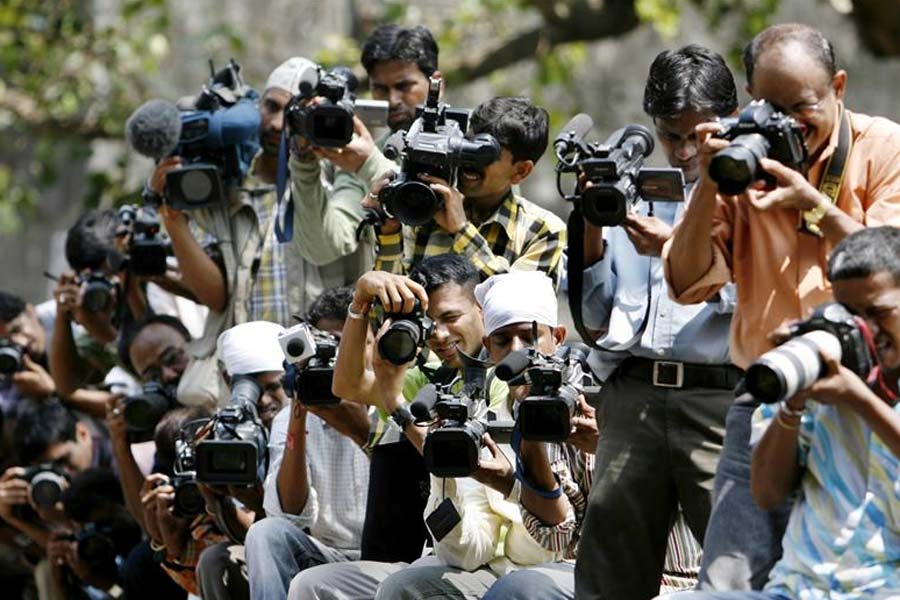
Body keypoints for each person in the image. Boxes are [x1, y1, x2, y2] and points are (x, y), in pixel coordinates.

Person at [663, 23, 900, 591]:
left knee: (860, 574)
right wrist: (709, 184)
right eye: (773, 107)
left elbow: (891, 267)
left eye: (804, 106)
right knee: (728, 581)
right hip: (771, 390)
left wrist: (812, 205)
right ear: (751, 100)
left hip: (875, 391)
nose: (791, 123)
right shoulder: (745, 161)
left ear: (838, 87)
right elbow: (685, 281)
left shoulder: (884, 146)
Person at [287, 271, 596, 600]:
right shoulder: (469, 401)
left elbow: (560, 541)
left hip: (573, 572)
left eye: (529, 338)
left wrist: (597, 446)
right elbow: (469, 548)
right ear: (490, 346)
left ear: (559, 337)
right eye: (504, 341)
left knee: (515, 588)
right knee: (388, 585)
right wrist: (360, 303)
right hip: (487, 568)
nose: (517, 353)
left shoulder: (589, 401)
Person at [573, 45, 742, 600]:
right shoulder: (629, 185)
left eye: (702, 134)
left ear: (731, 119)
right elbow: (594, 317)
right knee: (609, 574)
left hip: (719, 397)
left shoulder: (753, 190)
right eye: (672, 135)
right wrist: (593, 223)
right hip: (632, 396)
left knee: (738, 570)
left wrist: (676, 247)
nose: (687, 149)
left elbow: (763, 302)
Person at [663, 226, 900, 599]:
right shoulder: (828, 379)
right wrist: (793, 402)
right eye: (848, 314)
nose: (864, 329)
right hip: (793, 591)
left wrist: (860, 400)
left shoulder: (852, 392)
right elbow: (767, 493)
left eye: (879, 312)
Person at [332, 255, 489, 562]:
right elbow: (348, 386)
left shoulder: (507, 374)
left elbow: (468, 469)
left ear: (481, 309)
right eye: (431, 323)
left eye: (451, 317)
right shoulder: (435, 377)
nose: (440, 335)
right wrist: (360, 302)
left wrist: (396, 405)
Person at [284, 25, 442, 284]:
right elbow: (323, 248)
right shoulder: (366, 152)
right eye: (380, 89)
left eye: (404, 86)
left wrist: (368, 164)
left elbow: (436, 225)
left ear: (436, 83)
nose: (392, 100)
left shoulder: (465, 144)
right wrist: (304, 163)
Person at [240, 294, 371, 600]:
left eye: (353, 342)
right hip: (328, 556)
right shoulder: (291, 417)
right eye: (332, 345)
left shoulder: (398, 404)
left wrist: (360, 428)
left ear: (375, 342)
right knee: (264, 533)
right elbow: (288, 515)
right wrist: (299, 411)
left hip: (394, 555)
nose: (342, 356)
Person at [373, 96, 567, 286]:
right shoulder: (426, 207)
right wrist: (389, 232)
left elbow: (513, 307)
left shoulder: (543, 230)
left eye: (484, 154)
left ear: (521, 171)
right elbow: (383, 313)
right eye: (466, 144)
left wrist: (462, 230)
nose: (468, 161)